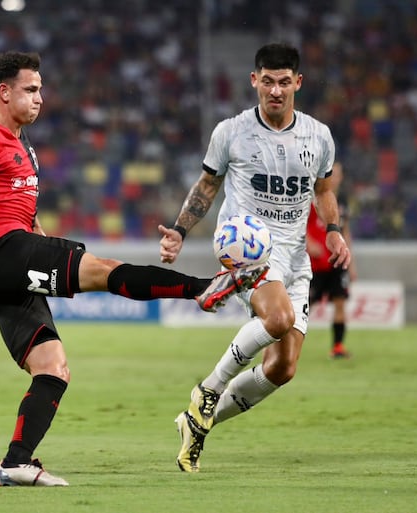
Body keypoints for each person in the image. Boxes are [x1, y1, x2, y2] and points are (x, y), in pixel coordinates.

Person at [0, 51, 266, 487]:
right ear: (4, 93)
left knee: (53, 367)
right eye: (30, 89)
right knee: (103, 270)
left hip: (2, 270)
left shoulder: (23, 147)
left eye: (41, 89)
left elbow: (21, 211)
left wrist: (42, 243)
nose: (40, 97)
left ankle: (16, 463)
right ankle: (204, 287)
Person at [158, 43, 351, 472]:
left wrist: (334, 231)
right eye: (268, 81)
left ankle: (196, 423)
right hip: (247, 246)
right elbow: (207, 186)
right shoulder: (231, 131)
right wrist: (179, 230)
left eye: (284, 82)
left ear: (298, 83)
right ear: (254, 81)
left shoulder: (318, 136)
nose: (276, 90)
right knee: (278, 319)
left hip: (295, 256)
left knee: (282, 367)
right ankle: (209, 389)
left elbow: (322, 192)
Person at [306, 161, 356, 359]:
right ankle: (285, 342)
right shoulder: (311, 198)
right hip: (315, 264)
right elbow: (299, 226)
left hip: (337, 261)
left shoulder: (342, 202)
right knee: (304, 305)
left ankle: (337, 347)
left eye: (337, 174)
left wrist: (351, 262)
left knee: (340, 301)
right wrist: (309, 244)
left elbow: (346, 232)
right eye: (331, 174)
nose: (334, 177)